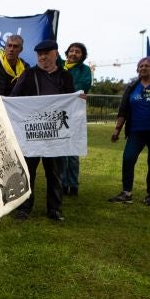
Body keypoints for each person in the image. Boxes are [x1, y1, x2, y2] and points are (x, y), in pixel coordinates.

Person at [10, 39, 75, 222]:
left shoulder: (65, 76)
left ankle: (54, 209)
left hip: (55, 134)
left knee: (54, 173)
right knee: (28, 171)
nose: (43, 57)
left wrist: (79, 100)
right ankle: (24, 208)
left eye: (46, 53)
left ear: (56, 54)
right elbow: (14, 98)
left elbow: (70, 100)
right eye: (40, 54)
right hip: (32, 133)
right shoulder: (29, 74)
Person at [108, 57, 150, 207]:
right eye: (141, 66)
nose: (143, 68)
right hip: (136, 132)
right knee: (128, 158)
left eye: (147, 66)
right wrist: (117, 130)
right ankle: (126, 193)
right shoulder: (132, 87)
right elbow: (123, 111)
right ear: (137, 69)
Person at [59, 42, 92, 196]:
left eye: (77, 51)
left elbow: (82, 85)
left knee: (73, 152)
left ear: (82, 55)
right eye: (71, 51)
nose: (73, 53)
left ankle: (73, 184)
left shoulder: (84, 70)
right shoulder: (60, 65)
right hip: (59, 112)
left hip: (75, 114)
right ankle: (63, 183)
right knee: (61, 151)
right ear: (67, 53)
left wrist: (65, 90)